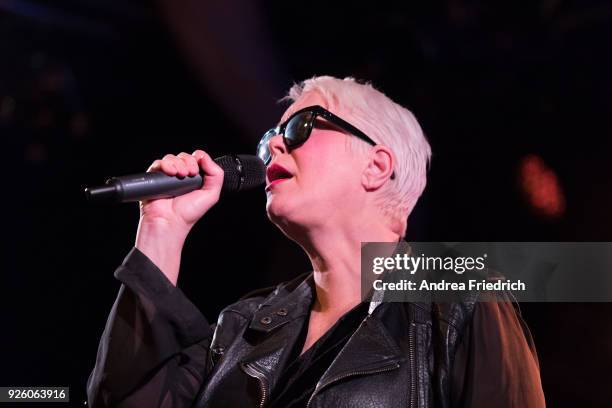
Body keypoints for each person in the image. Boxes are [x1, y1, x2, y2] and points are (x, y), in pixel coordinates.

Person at [87, 76, 546, 407]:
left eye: (299, 127)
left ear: (376, 165)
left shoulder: (460, 301)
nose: (272, 149)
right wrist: (161, 229)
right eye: (269, 141)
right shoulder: (242, 328)